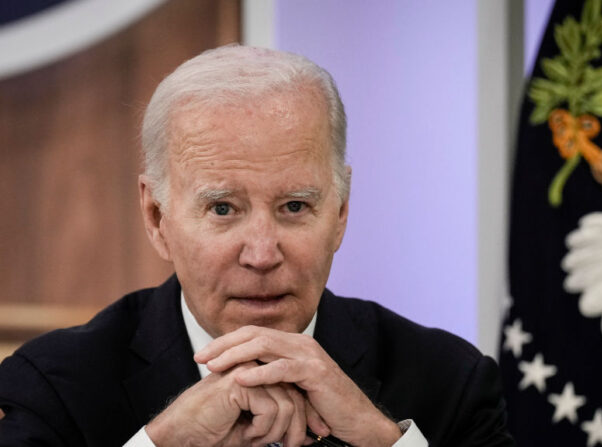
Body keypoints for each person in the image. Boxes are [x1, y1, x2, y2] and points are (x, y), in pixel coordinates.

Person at [0, 45, 513, 447]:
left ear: (340, 213)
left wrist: (380, 440)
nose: (263, 254)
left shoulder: (450, 383)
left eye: (294, 206)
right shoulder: (56, 387)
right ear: (157, 217)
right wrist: (161, 443)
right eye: (223, 208)